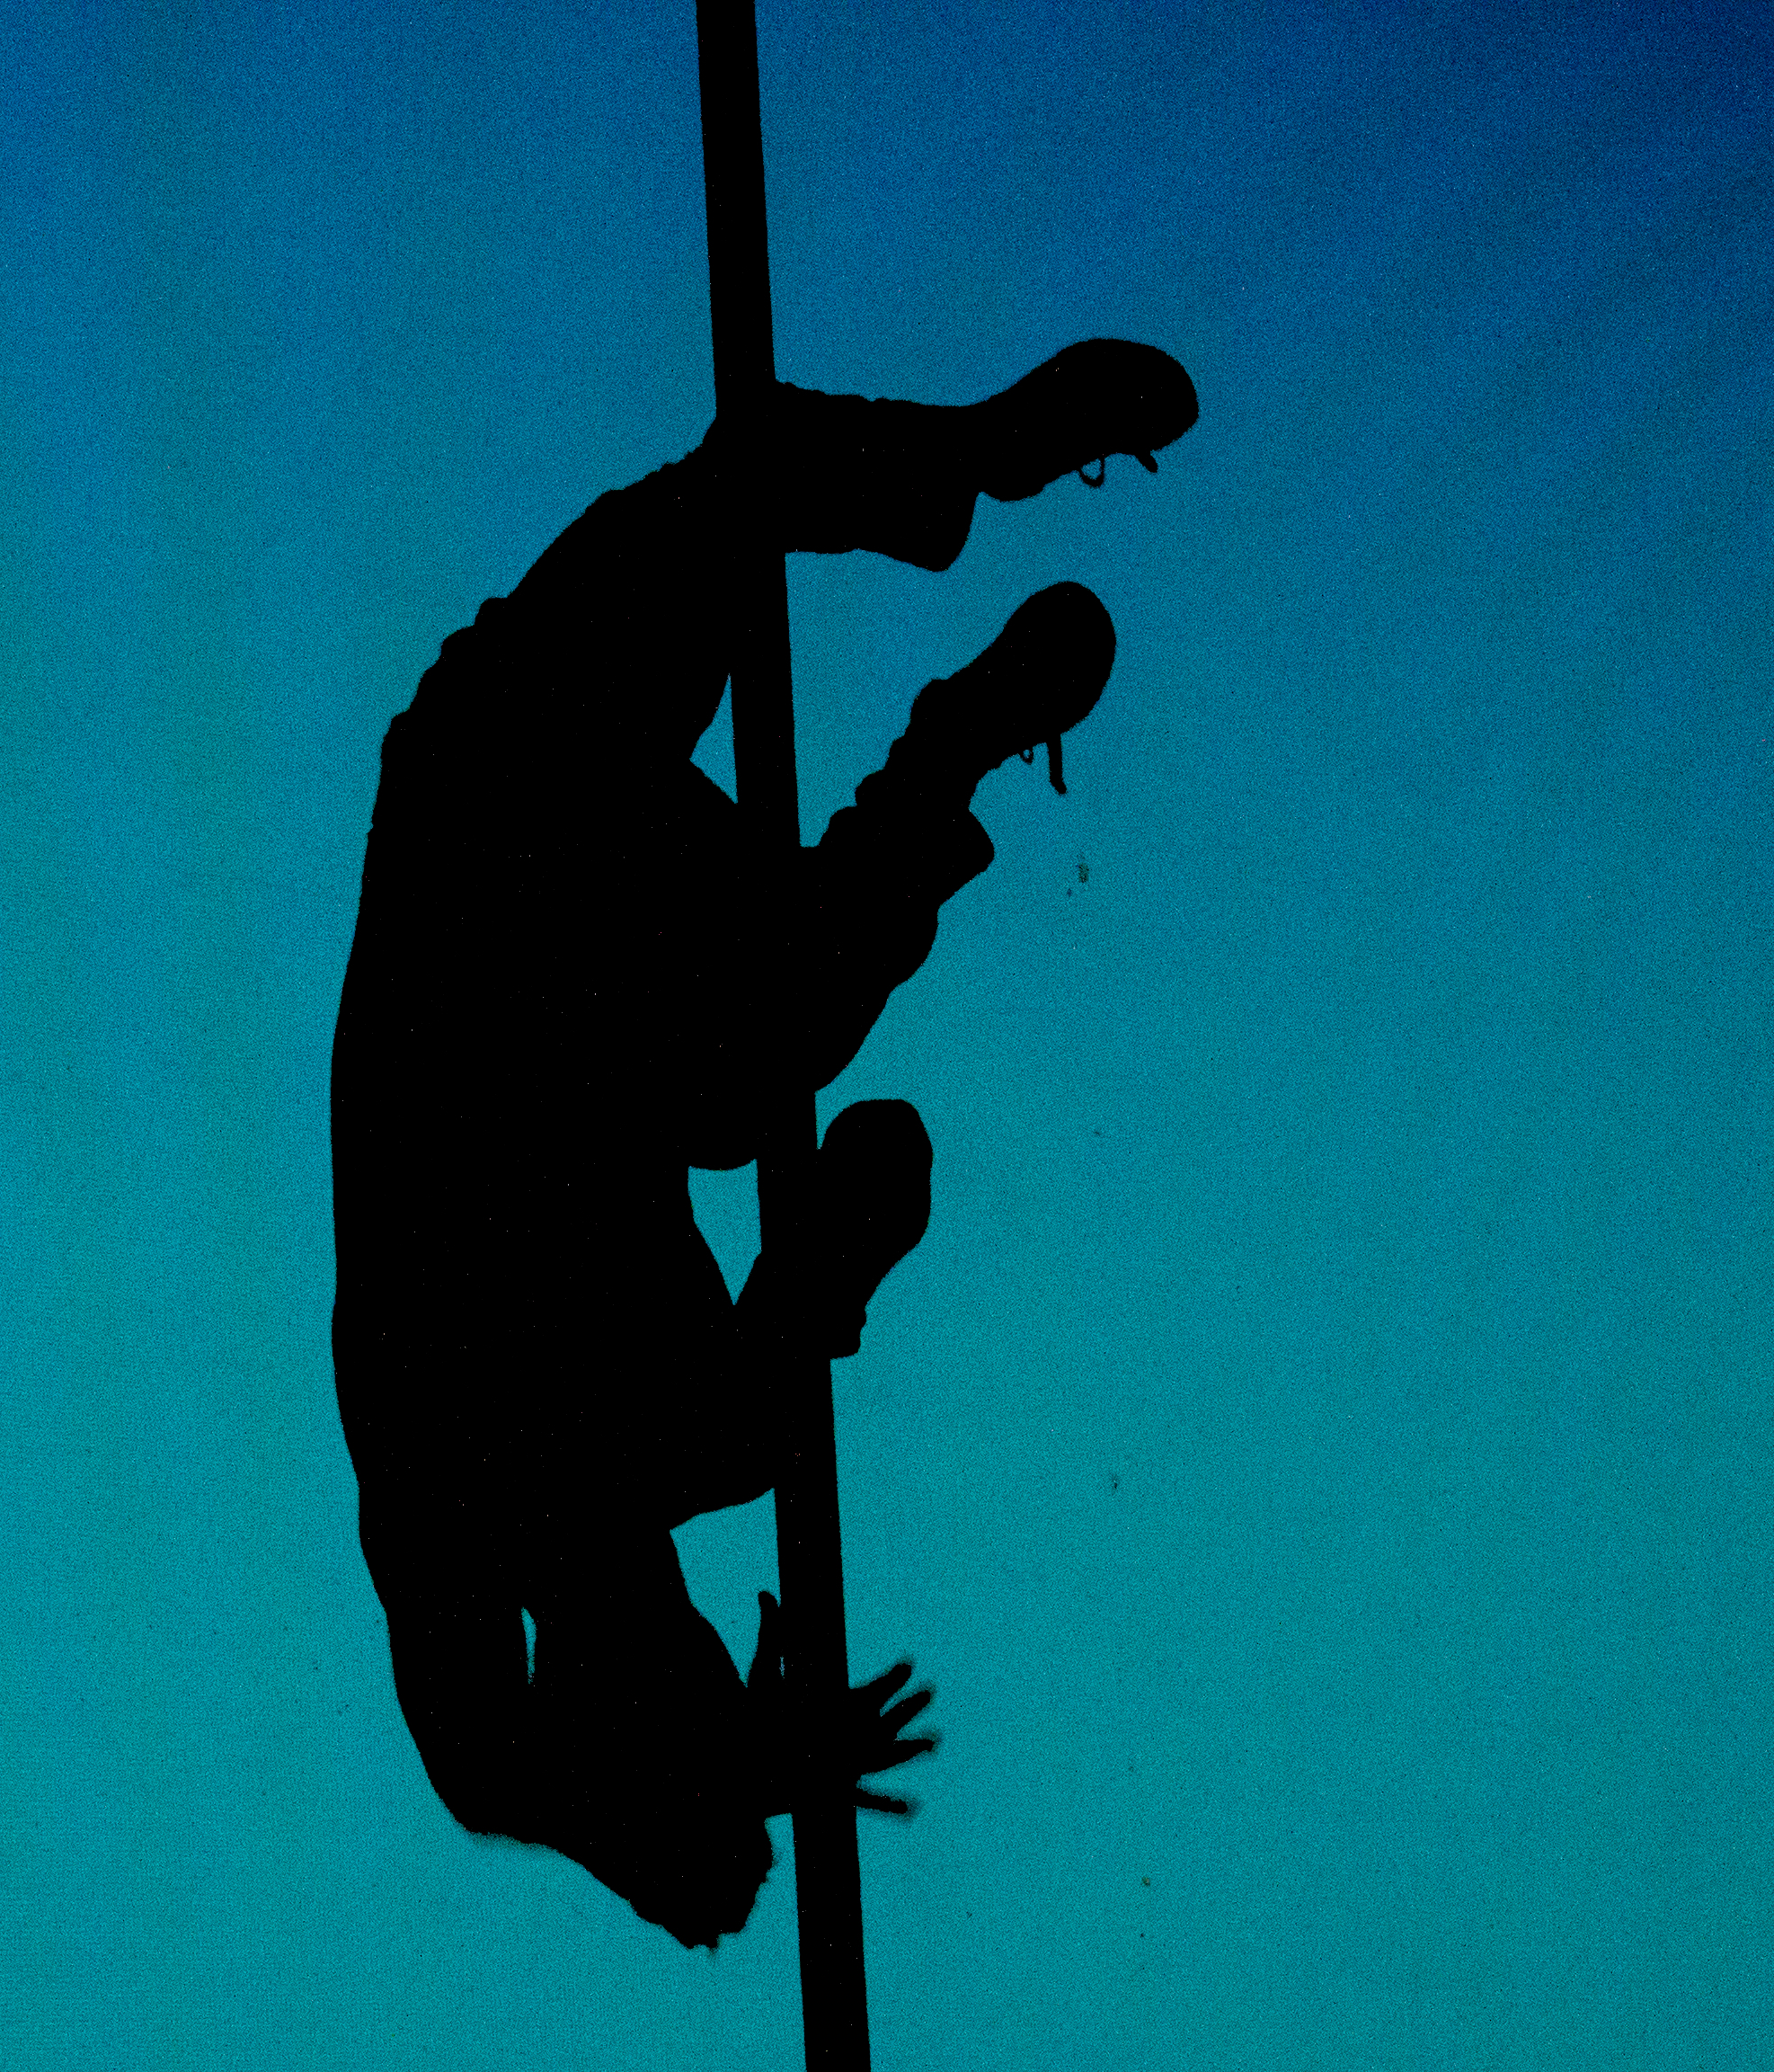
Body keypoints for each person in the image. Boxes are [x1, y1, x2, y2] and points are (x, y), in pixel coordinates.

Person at [331, 337, 1198, 1946]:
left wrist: (729, 1782)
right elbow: (870, 1156)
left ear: (624, 1689)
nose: (706, 1623)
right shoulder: (684, 1437)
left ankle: (964, 528)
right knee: (748, 1083)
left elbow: (499, 1772)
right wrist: (728, 1774)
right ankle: (954, 720)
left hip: (497, 814)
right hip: (568, 867)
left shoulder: (480, 1528)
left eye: (694, 1665)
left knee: (750, 1084)